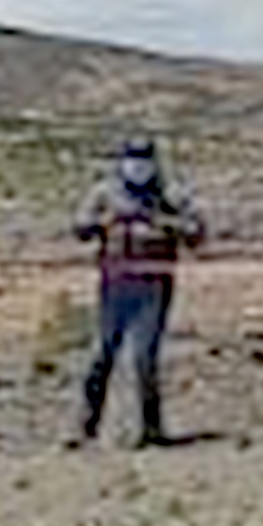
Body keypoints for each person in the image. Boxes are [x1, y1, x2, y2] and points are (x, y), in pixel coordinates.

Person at [68, 134, 206, 448]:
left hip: (153, 286)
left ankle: (151, 427)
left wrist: (162, 221)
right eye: (133, 158)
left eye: (144, 159)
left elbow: (196, 232)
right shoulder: (106, 193)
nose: (138, 166)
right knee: (101, 353)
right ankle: (85, 427)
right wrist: (105, 221)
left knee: (144, 357)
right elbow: (79, 227)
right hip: (114, 285)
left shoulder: (170, 195)